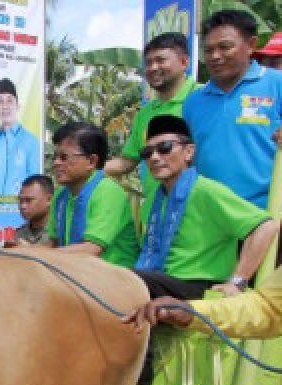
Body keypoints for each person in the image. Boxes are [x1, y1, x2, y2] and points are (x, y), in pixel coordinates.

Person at [132, 115, 278, 299]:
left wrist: (237, 281)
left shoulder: (206, 190)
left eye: (164, 148)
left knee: (124, 281)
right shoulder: (155, 198)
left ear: (189, 152)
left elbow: (265, 226)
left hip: (195, 286)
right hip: (160, 280)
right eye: (147, 152)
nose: (154, 157)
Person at [183, 10, 282, 209]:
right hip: (211, 217)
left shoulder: (276, 83)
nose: (215, 56)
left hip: (266, 217)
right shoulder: (193, 102)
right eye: (208, 50)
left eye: (225, 47)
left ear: (251, 45)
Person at [105, 32, 198, 206]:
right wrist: (87, 171)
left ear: (184, 62)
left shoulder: (204, 98)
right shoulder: (145, 113)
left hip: (196, 211)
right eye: (148, 63)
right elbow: (128, 161)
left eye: (161, 60)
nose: (153, 67)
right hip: (155, 214)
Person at [47, 122, 140, 267]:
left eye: (64, 157)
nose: (56, 163)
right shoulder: (60, 195)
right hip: (75, 275)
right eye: (55, 157)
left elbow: (91, 249)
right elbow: (53, 244)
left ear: (91, 161)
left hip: (113, 280)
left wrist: (38, 255)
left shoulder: (108, 191)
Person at [0, 78, 39, 197]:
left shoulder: (31, 141)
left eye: (9, 101)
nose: (5, 106)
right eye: (0, 102)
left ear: (17, 106)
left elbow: (35, 183)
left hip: (19, 212)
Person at [8, 174, 52, 246]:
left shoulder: (60, 231)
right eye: (21, 201)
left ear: (49, 199)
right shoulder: (19, 233)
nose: (23, 206)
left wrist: (29, 250)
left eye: (29, 200)